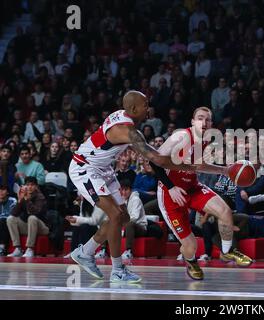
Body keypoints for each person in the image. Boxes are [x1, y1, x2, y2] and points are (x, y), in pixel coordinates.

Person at [68, 91, 200, 283]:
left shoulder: (126, 118)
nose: (149, 108)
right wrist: (193, 165)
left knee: (123, 217)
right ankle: (118, 270)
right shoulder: (128, 131)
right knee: (114, 215)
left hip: (102, 168)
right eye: (145, 104)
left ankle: (85, 253)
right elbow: (158, 159)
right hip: (85, 168)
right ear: (133, 109)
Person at [156, 106, 253, 280]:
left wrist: (224, 170)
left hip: (192, 187)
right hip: (170, 193)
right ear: (192, 122)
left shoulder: (206, 139)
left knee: (225, 211)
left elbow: (198, 166)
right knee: (190, 245)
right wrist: (170, 187)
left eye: (208, 120)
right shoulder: (181, 136)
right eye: (200, 118)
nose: (204, 122)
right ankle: (192, 262)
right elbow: (155, 161)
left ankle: (226, 251)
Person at [119, 179, 163, 259]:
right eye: (122, 190)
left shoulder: (136, 199)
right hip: (126, 227)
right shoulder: (121, 201)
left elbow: (134, 218)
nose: (124, 192)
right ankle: (103, 250)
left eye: (126, 190)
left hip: (140, 228)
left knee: (130, 224)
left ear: (130, 190)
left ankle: (129, 251)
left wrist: (122, 227)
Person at [7, 177, 48, 258]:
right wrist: (19, 200)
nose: (29, 187)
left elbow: (36, 213)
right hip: (29, 226)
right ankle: (17, 249)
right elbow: (14, 213)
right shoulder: (24, 195)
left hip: (42, 228)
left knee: (32, 218)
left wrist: (27, 200)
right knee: (10, 219)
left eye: (32, 185)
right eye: (27, 185)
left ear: (36, 186)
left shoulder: (40, 197)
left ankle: (30, 249)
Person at [0, 185, 17, 256]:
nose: (0, 192)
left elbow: (12, 214)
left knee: (3, 220)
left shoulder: (13, 200)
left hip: (9, 222)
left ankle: (2, 247)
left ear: (7, 192)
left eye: (3, 190)